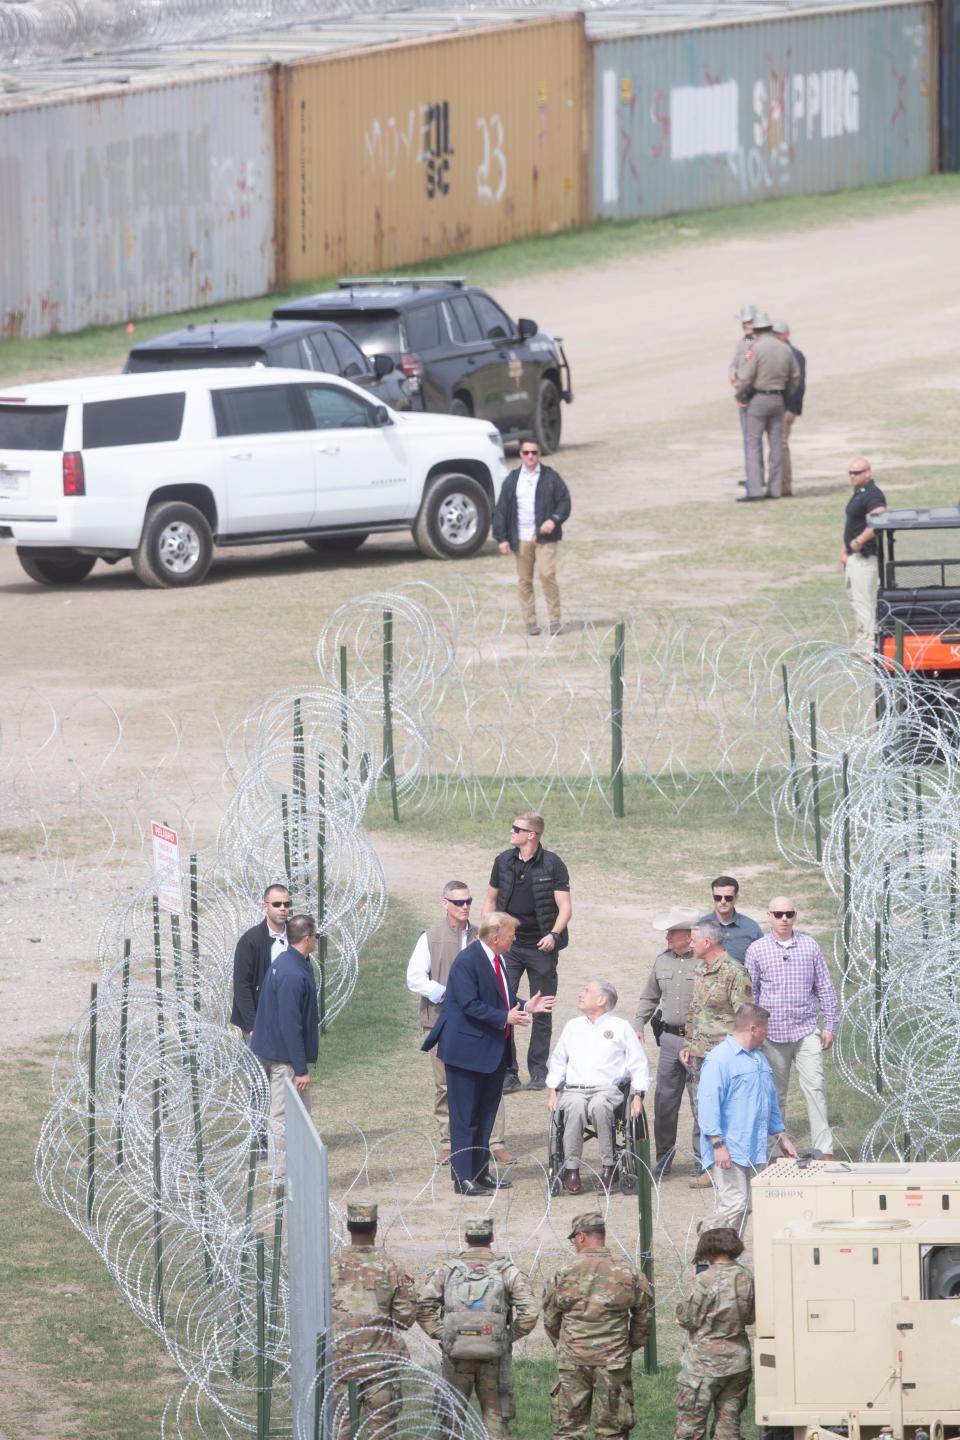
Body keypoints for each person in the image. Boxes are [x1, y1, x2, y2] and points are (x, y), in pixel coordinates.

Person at [422, 911, 555, 1196]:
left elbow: (498, 998)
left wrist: (524, 1006)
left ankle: (481, 1173)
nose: (515, 939)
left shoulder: (498, 959)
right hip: (466, 1053)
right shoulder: (468, 961)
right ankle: (463, 1177)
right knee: (465, 1117)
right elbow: (469, 1004)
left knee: (485, 1115)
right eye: (511, 935)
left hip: (491, 1052)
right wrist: (504, 1018)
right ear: (495, 937)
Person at [405, 880, 512, 1164]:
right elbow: (415, 978)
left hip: (482, 1024)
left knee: (491, 1082)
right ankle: (449, 1142)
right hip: (443, 1022)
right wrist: (447, 994)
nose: (465, 907)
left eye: (468, 902)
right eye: (458, 902)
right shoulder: (430, 937)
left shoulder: (482, 937)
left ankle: (494, 1141)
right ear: (445, 904)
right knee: (445, 1086)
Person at [416, 1215, 538, 1438]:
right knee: (495, 1422)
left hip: (456, 1357)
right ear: (492, 1237)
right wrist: (506, 1337)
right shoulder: (506, 1270)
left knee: (450, 1419)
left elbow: (423, 1307)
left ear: (466, 1237)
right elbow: (530, 1312)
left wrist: (444, 1335)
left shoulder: (448, 1270)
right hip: (494, 1358)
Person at [542, 1211, 652, 1440]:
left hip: (573, 1360)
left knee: (569, 1430)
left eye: (574, 1239)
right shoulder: (628, 1272)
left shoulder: (563, 1274)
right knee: (613, 1430)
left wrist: (565, 1345)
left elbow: (551, 1318)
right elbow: (643, 1318)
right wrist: (627, 1347)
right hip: (613, 1361)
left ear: (581, 1237)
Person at [745, 898, 839, 1159]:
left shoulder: (809, 946)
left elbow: (825, 988)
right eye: (778, 914)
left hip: (806, 1030)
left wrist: (829, 1025)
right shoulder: (757, 950)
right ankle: (775, 1150)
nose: (783, 918)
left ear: (795, 916)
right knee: (775, 1094)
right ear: (769, 916)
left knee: (815, 1088)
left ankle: (824, 1149)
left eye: (788, 914)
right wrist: (752, 1031)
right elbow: (750, 993)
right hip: (772, 1035)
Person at [486, 812, 572, 1093]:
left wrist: (553, 935)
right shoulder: (503, 861)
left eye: (517, 829)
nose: (511, 832)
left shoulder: (553, 864)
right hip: (508, 947)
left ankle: (539, 1071)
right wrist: (489, 934)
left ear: (531, 835)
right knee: (505, 1006)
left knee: (542, 1009)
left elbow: (565, 907)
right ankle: (509, 1071)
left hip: (541, 947)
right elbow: (491, 898)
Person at [697, 1004, 797, 1234]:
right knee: (734, 1203)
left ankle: (729, 1260)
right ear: (753, 1028)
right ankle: (709, 1255)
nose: (767, 1034)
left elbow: (769, 1101)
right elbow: (708, 1105)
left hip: (755, 1146)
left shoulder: (759, 1060)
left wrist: (781, 1136)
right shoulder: (719, 1060)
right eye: (765, 1029)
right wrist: (717, 1144)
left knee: (745, 1206)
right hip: (730, 1147)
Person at [546, 980, 650, 1195]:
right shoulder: (572, 1026)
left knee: (599, 1106)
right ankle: (571, 1168)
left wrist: (638, 1095)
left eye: (586, 991)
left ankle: (609, 1166)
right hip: (575, 1089)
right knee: (573, 1107)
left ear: (601, 1000)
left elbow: (638, 1063)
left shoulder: (620, 1027)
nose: (580, 994)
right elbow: (558, 1060)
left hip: (608, 1090)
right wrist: (552, 1090)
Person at [331, 1200, 416, 1440]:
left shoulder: (331, 1264)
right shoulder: (388, 1266)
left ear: (348, 1228)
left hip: (341, 1362)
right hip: (380, 1364)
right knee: (381, 1430)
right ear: (375, 1229)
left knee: (341, 1429)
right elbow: (405, 1318)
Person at [680, 922, 753, 1190]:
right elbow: (695, 1009)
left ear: (708, 942)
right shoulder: (700, 969)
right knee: (703, 1110)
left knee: (729, 1112)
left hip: (724, 1057)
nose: (690, 944)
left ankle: (735, 1169)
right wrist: (688, 1042)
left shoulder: (734, 972)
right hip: (700, 1054)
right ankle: (708, 1168)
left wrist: (737, 1056)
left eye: (693, 940)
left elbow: (745, 1018)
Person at [249, 913, 319, 1184]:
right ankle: (280, 1175)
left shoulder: (290, 961)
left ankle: (299, 1168)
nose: (316, 941)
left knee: (300, 1115)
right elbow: (291, 1025)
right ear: (307, 937)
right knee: (281, 1116)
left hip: (274, 1050)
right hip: (283, 1059)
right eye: (316, 936)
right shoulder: (292, 973)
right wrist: (300, 1069)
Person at [633, 907, 701, 1179]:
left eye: (673, 933)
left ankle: (701, 1158)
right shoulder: (662, 961)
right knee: (665, 1101)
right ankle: (664, 1158)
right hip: (671, 1039)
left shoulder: (706, 961)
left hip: (699, 1041)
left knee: (701, 1101)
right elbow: (650, 996)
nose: (668, 937)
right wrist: (638, 1023)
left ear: (689, 935)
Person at [674, 1227, 755, 1440]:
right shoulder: (746, 1276)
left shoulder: (704, 1279)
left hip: (704, 1365)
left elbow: (687, 1319)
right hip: (738, 1362)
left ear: (707, 1247)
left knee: (690, 1429)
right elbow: (751, 1317)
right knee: (728, 1430)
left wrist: (692, 1284)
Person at [492, 439, 572, 636]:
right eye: (526, 452)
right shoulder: (512, 480)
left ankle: (554, 620)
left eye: (534, 452)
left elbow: (564, 502)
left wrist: (553, 520)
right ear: (520, 454)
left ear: (539, 454)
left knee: (547, 575)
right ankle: (530, 622)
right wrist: (501, 538)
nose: (530, 456)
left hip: (545, 537)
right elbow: (501, 510)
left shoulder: (550, 477)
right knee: (524, 580)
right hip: (520, 538)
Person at [734, 311, 801, 502]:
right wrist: (785, 394)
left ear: (755, 329)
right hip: (778, 399)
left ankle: (755, 490)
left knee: (753, 443)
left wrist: (740, 395)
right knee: (776, 445)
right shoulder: (784, 348)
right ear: (770, 328)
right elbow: (795, 377)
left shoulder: (754, 348)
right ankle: (775, 489)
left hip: (758, 399)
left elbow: (745, 377)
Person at [230, 883, 291, 1037]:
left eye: (286, 904)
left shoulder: (295, 937)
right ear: (266, 907)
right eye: (277, 904)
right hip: (261, 1021)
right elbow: (242, 985)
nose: (282, 908)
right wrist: (252, 1026)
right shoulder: (250, 941)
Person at [840, 457, 887, 655]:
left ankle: (869, 645)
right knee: (855, 599)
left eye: (857, 472)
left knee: (863, 601)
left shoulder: (873, 495)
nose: (852, 476)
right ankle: (862, 641)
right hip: (854, 557)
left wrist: (859, 541)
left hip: (865, 557)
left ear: (868, 472)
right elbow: (852, 523)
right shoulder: (859, 493)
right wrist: (844, 550)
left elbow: (879, 518)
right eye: (850, 472)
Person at [772, 321, 806, 498]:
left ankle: (784, 487)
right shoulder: (775, 353)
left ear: (787, 334)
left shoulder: (794, 354)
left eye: (779, 334)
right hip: (776, 406)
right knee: (777, 445)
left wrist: (792, 409)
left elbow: (799, 385)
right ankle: (776, 483)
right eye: (774, 334)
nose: (776, 337)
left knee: (781, 445)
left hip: (786, 408)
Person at [696, 877, 762, 965]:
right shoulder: (699, 926)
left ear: (736, 897)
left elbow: (762, 960)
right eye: (718, 897)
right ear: (713, 897)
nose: (723, 901)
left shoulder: (751, 928)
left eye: (728, 898)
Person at [729, 304, 758, 492]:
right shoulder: (743, 342)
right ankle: (751, 475)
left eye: (749, 322)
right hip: (741, 390)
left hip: (750, 393)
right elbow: (735, 363)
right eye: (744, 323)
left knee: (753, 439)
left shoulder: (757, 344)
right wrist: (732, 372)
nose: (746, 326)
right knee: (748, 439)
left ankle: (756, 477)